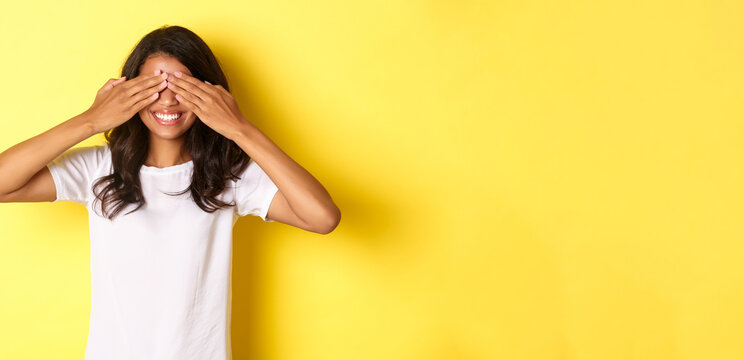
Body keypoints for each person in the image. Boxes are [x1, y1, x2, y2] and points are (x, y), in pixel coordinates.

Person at [0, 25, 341, 359]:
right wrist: (92, 120)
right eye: (154, 85)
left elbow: (323, 217)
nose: (168, 99)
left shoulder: (227, 176)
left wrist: (239, 127)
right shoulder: (99, 169)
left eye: (183, 86)